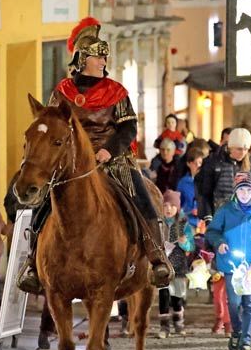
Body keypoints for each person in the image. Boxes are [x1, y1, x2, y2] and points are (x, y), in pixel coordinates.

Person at [17, 16, 173, 294]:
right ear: (83, 58)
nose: (103, 62)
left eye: (104, 58)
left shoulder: (116, 92)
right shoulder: (63, 91)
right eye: (98, 57)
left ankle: (157, 257)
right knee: (43, 203)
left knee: (141, 197)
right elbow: (52, 123)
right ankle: (31, 263)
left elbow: (129, 128)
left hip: (112, 159)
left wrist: (108, 150)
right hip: (71, 161)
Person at [205, 172, 251, 350]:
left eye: (248, 189)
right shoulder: (226, 210)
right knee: (233, 302)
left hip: (250, 265)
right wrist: (220, 242)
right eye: (241, 189)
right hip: (230, 265)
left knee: (249, 303)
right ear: (236, 191)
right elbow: (212, 231)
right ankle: (236, 331)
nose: (244, 193)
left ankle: (246, 341)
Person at [157, 190, 195, 338]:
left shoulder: (183, 223)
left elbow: (191, 246)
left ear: (177, 207)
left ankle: (179, 323)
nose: (168, 209)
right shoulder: (159, 223)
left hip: (178, 265)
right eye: (165, 205)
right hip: (162, 265)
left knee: (177, 296)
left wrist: (185, 243)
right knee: (163, 295)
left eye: (172, 206)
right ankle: (164, 326)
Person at [197, 127, 251, 222]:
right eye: (239, 149)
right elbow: (205, 192)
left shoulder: (249, 163)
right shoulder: (215, 161)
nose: (243, 153)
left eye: (246, 149)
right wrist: (208, 217)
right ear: (230, 147)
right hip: (219, 216)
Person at [176, 148, 203, 228]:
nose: (198, 166)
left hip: (203, 224)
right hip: (187, 223)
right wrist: (188, 212)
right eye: (195, 163)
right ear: (188, 163)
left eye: (200, 163)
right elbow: (178, 206)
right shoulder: (182, 183)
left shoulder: (208, 182)